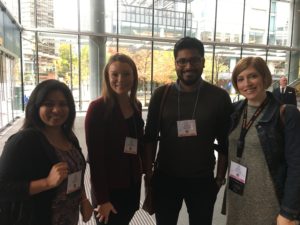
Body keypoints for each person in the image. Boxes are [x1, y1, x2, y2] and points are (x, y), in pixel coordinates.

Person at [143, 37, 233, 225]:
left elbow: (225, 142)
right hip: (166, 178)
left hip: (202, 180)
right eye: (182, 61)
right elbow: (150, 137)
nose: (188, 66)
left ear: (203, 62)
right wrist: (149, 173)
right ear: (175, 63)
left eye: (194, 60)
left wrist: (219, 180)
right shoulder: (161, 95)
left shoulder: (219, 97)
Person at [0, 79, 93, 225]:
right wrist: (47, 182)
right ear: (36, 107)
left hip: (69, 217)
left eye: (63, 104)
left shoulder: (69, 137)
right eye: (49, 104)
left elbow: (75, 173)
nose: (57, 110)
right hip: (37, 218)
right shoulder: (23, 141)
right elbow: (3, 188)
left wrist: (84, 199)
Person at [226, 57, 300, 225]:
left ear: (265, 78)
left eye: (253, 76)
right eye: (240, 79)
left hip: (270, 206)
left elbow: (297, 166)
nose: (247, 83)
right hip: (237, 199)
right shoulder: (234, 111)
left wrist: (288, 212)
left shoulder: (286, 114)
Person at [85, 53, 144, 225]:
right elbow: (95, 159)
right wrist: (102, 200)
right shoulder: (97, 108)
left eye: (126, 74)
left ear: (134, 77)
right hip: (109, 190)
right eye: (115, 74)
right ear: (107, 77)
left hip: (132, 185)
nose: (121, 79)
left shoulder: (136, 105)